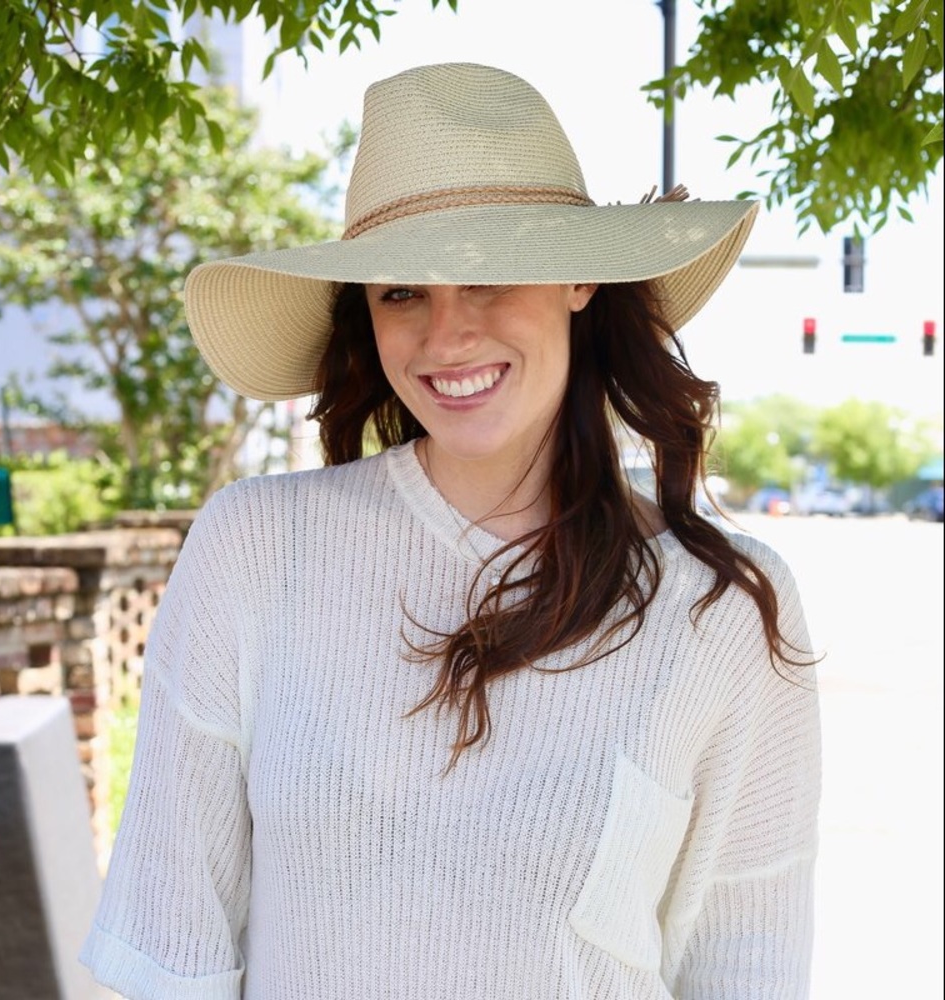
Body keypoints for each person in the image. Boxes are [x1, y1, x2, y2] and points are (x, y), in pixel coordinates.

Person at [80, 62, 821, 1000]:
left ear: (581, 279)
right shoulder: (258, 550)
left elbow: (747, 965)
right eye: (401, 292)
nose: (446, 335)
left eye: (488, 274)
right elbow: (170, 952)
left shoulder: (721, 607)